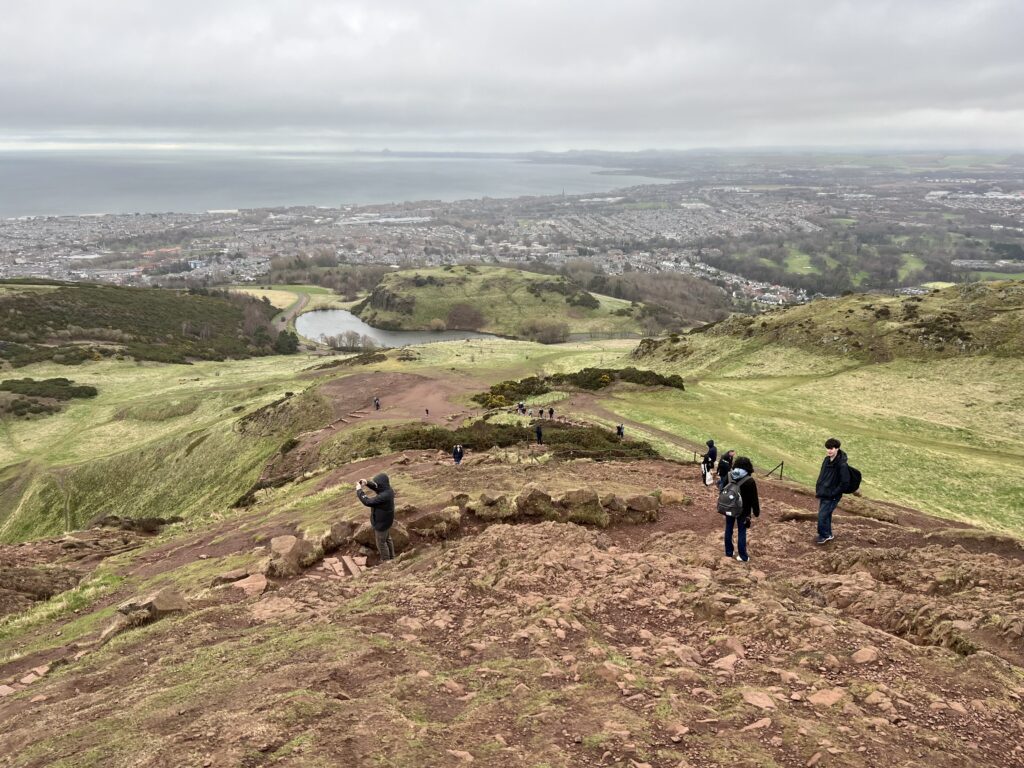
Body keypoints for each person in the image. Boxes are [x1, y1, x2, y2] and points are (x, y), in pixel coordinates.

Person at [721, 456, 760, 562]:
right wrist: (756, 511)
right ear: (748, 467)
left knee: (728, 528)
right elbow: (754, 499)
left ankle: (729, 552)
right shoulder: (750, 481)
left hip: (730, 507)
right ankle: (742, 556)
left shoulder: (730, 475)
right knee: (741, 531)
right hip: (743, 510)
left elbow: (722, 489)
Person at [815, 437, 851, 544]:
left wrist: (834, 492)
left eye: (832, 448)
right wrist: (819, 488)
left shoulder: (842, 464)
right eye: (828, 448)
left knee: (822, 515)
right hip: (824, 492)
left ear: (837, 449)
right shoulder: (826, 460)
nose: (829, 450)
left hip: (832, 495)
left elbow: (845, 483)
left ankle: (824, 535)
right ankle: (828, 534)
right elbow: (822, 475)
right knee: (826, 514)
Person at [355, 473, 395, 562]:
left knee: (381, 543)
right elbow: (378, 487)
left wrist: (359, 490)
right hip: (386, 521)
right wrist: (367, 483)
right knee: (387, 539)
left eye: (376, 483)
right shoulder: (388, 490)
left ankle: (386, 562)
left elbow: (367, 502)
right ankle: (392, 558)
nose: (376, 485)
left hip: (381, 524)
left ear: (381, 484)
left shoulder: (384, 496)